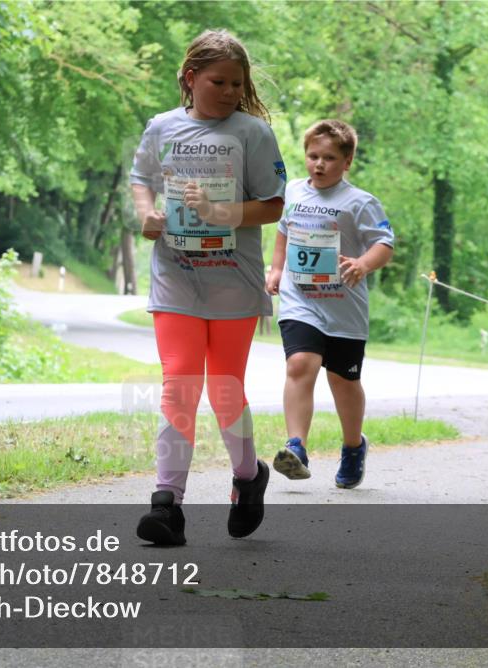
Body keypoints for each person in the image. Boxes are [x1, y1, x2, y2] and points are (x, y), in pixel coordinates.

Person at [129, 29, 286, 545]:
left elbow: (273, 205)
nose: (229, 91)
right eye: (218, 81)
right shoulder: (162, 127)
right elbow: (141, 178)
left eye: (237, 84)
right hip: (174, 275)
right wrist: (146, 214)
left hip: (232, 283)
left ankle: (247, 478)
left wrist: (223, 213)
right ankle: (167, 502)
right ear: (191, 78)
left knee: (225, 391)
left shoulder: (253, 134)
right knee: (179, 383)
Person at [265, 120, 394, 488]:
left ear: (347, 161)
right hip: (300, 300)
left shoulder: (360, 202)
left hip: (344, 308)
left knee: (343, 380)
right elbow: (283, 232)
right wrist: (276, 269)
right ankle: (297, 447)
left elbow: (384, 243)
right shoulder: (292, 192)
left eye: (329, 158)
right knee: (300, 364)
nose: (319, 164)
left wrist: (363, 263)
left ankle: (353, 447)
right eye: (312, 156)